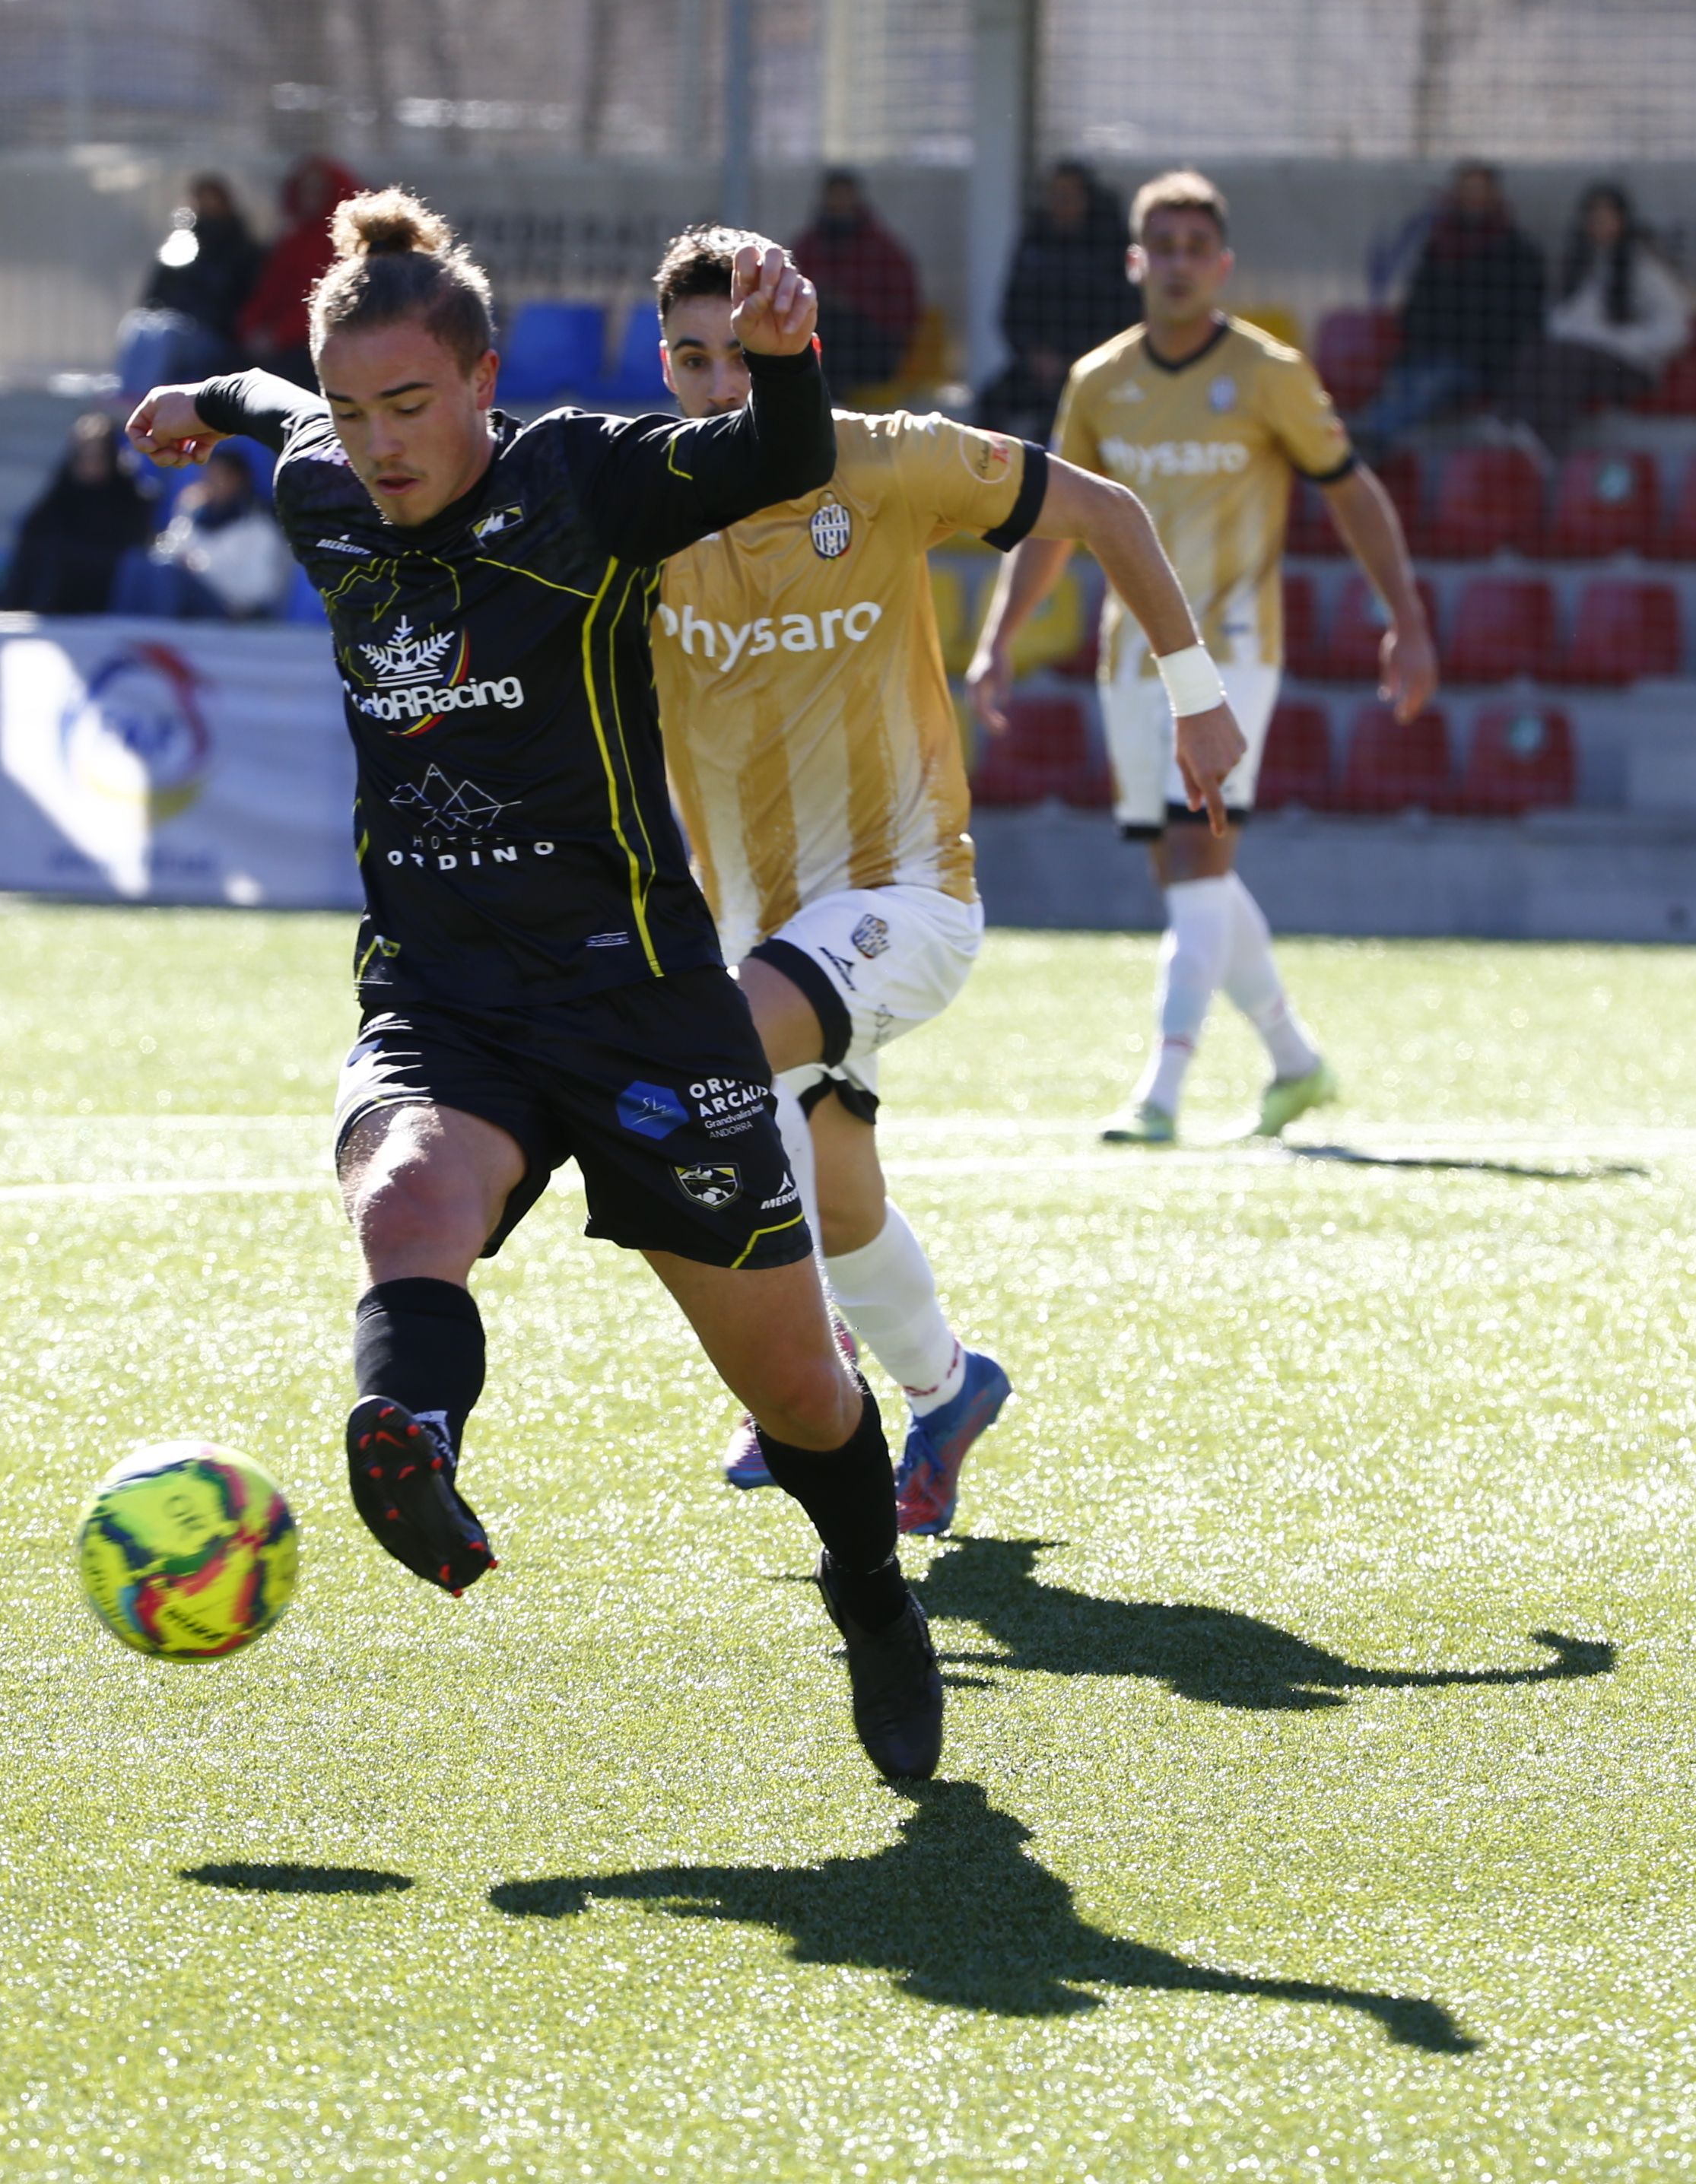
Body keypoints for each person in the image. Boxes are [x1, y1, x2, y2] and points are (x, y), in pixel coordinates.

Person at [127, 192, 945, 1784]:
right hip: (445, 995)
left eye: (413, 405)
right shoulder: (327, 480)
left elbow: (778, 458)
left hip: (638, 995)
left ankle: (872, 1595)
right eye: (357, 411)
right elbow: (270, 404)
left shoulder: (585, 480)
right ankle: (413, 1438)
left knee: (796, 1384)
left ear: (485, 381)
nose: (379, 443)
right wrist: (199, 404)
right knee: (405, 1198)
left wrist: (787, 359)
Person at [643, 224, 1247, 1532]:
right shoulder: (642, 501)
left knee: (714, 1058)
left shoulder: (890, 460)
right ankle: (944, 1385)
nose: (715, 386)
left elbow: (1105, 511)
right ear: (664, 365)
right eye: (690, 360)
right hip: (745, 923)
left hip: (904, 896)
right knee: (829, 1178)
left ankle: (804, 1377)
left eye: (740, 356)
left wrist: (1190, 694)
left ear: (792, 345)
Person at [976, 169, 1436, 1148]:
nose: (1181, 265)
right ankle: (1297, 1063)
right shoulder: (1100, 382)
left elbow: (1350, 491)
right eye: (1164, 247)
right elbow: (1057, 523)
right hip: (1126, 662)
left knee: (1196, 859)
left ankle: (1162, 1092)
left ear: (1223, 265)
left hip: (1233, 658)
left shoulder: (1269, 372)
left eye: (1199, 248)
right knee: (1187, 874)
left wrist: (1407, 615)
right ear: (1136, 262)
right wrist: (999, 638)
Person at [1351, 161, 1548, 446]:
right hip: (1426, 355)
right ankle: (1364, 441)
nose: (1473, 198)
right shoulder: (1439, 247)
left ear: (1495, 195)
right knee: (1400, 381)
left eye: (1480, 190)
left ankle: (1369, 438)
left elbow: (1517, 320)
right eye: (1467, 190)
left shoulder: (1519, 252)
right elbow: (1416, 309)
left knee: (1431, 384)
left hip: (1478, 364)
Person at [1498, 179, 1688, 449]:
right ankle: (1510, 426)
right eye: (1593, 217)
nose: (1600, 223)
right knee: (1536, 351)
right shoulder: (1578, 265)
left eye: (1607, 217)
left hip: (1628, 366)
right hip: (1579, 358)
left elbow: (1677, 328)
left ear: (1623, 221)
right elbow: (1558, 319)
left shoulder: (1643, 267)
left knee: (1568, 359)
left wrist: (1622, 340)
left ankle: (1545, 443)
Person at [976, 160, 1140, 442]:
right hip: (1035, 367)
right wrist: (1033, 355)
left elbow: (1126, 318)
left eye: (1068, 196)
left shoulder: (1111, 244)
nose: (1059, 204)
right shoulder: (1034, 239)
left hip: (1094, 367)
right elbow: (1010, 311)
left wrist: (1074, 359)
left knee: (1056, 425)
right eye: (1054, 195)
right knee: (990, 403)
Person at [115, 173, 263, 399]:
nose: (206, 207)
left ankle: (142, 401)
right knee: (137, 324)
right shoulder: (180, 244)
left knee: (166, 333)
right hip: (173, 324)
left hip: (213, 336)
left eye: (212, 200)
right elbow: (154, 294)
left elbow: (241, 304)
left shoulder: (243, 251)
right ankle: (125, 397)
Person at [1, 413, 157, 615]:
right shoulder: (56, 503)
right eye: (82, 457)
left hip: (108, 601)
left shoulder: (132, 501)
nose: (89, 465)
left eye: (97, 457)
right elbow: (30, 554)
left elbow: (131, 554)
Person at [235, 152, 364, 383]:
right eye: (305, 189)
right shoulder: (292, 241)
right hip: (280, 342)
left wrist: (279, 336)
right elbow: (269, 292)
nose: (310, 197)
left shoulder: (345, 241)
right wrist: (252, 328)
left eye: (319, 189)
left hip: (319, 341)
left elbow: (332, 301)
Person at [132, 436, 294, 620]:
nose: (213, 482)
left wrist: (200, 572)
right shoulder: (190, 516)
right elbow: (163, 556)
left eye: (222, 476)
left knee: (169, 577)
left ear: (240, 481)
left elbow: (261, 592)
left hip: (230, 614)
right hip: (186, 604)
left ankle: (158, 633)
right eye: (210, 474)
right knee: (136, 564)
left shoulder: (260, 529)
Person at [792, 168, 921, 395]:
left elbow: (904, 308)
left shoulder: (883, 249)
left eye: (845, 195)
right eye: (835, 195)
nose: (840, 202)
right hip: (817, 344)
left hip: (872, 351)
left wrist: (854, 308)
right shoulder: (807, 247)